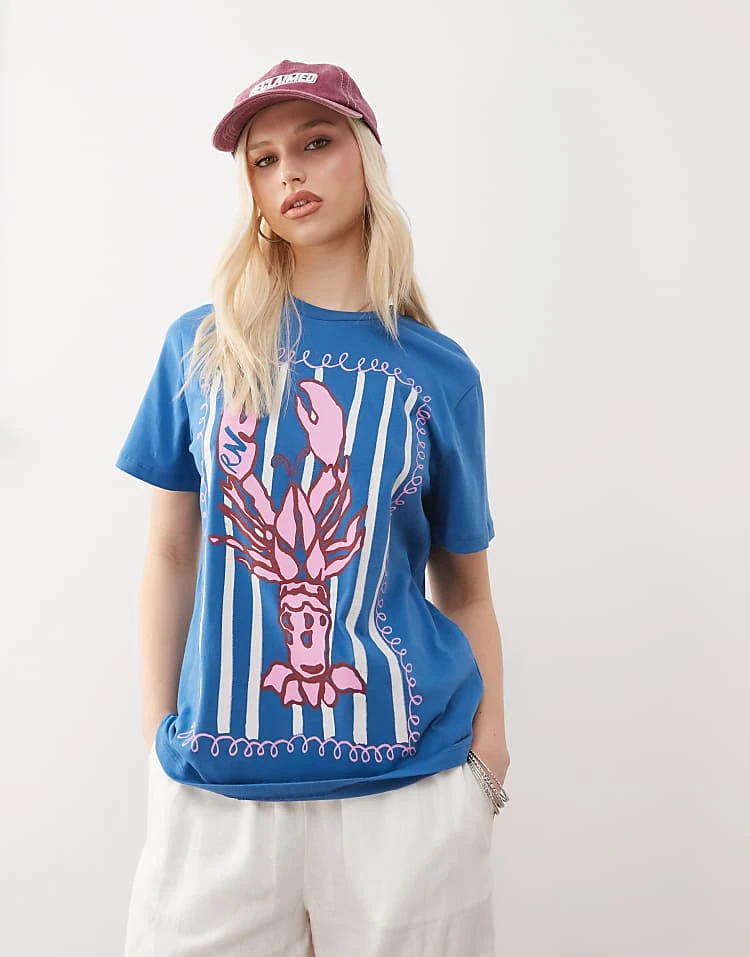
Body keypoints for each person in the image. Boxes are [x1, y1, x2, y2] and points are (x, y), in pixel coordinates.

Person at [116, 59, 510, 957]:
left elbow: (466, 585)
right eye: (264, 159)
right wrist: (158, 734)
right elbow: (171, 553)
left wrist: (489, 759)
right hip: (217, 795)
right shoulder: (199, 349)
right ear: (252, 192)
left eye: (317, 142)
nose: (289, 171)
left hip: (409, 795)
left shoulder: (438, 371)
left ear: (365, 157)